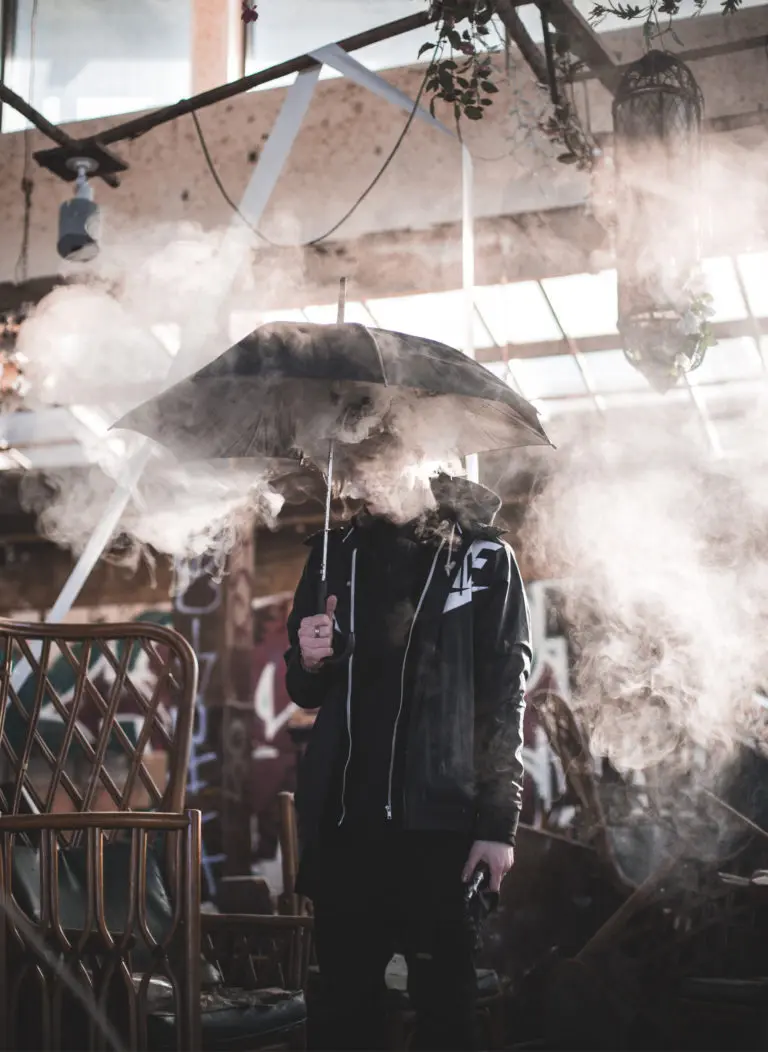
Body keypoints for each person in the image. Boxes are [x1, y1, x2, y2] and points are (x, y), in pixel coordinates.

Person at [284, 473, 531, 1051]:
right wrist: (310, 658)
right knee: (345, 1016)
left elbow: (505, 695)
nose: (365, 470)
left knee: (446, 1015)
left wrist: (499, 824)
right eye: (356, 455)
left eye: (381, 448)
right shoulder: (332, 554)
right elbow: (303, 687)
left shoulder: (483, 557)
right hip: (345, 826)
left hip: (442, 827)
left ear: (424, 451)